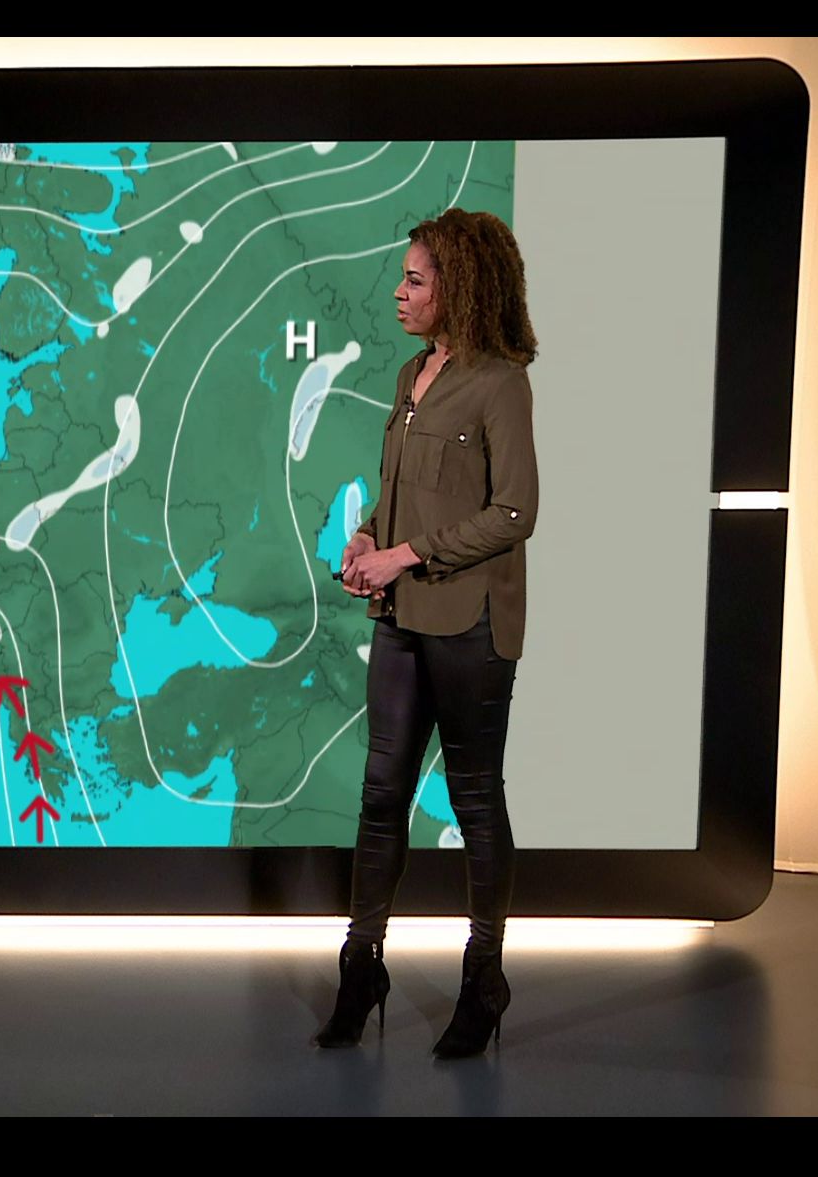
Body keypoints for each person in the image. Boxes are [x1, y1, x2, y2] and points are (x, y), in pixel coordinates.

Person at [312, 208, 540, 1059]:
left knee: (475, 801)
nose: (398, 292)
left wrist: (406, 555)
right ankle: (361, 967)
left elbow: (515, 512)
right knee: (381, 795)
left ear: (460, 286)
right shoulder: (412, 374)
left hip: (470, 622)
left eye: (414, 279)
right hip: (400, 618)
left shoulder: (501, 384)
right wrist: (369, 538)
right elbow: (403, 491)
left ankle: (485, 979)